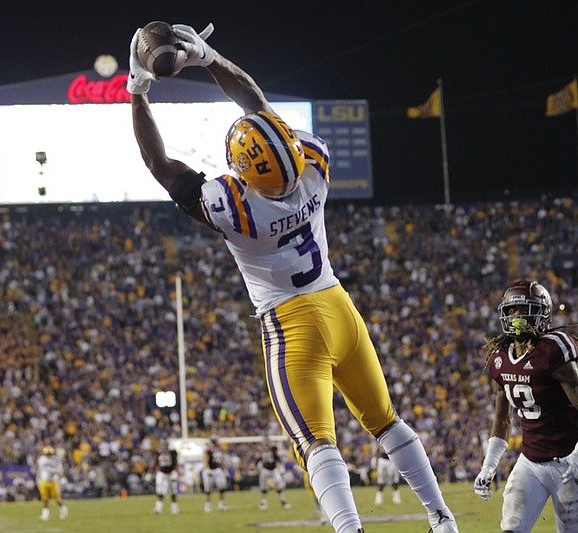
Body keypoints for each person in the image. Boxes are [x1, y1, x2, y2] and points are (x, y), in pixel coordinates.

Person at [127, 21, 459, 533]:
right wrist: (210, 57)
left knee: (316, 443)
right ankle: (442, 520)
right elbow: (256, 103)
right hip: (339, 308)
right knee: (388, 423)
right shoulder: (315, 163)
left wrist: (138, 90)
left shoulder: (234, 206)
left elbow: (158, 163)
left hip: (291, 325)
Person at [473, 279, 578, 533]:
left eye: (524, 310)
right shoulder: (500, 358)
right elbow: (502, 418)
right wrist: (489, 464)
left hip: (567, 462)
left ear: (541, 314)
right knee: (511, 529)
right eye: (512, 311)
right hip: (530, 462)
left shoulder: (551, 351)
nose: (516, 317)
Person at [256, 437, 291, 510]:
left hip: (274, 469)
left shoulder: (273, 448)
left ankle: (283, 501)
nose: (266, 443)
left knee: (279, 485)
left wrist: (281, 467)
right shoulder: (261, 449)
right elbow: (259, 459)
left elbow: (277, 457)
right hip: (265, 469)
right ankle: (264, 503)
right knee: (263, 487)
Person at [35, 445, 67, 521]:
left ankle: (62, 508)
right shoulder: (41, 459)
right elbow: (39, 470)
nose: (48, 454)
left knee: (57, 499)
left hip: (53, 481)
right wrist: (37, 479)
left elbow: (59, 471)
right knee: (44, 498)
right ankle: (45, 514)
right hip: (44, 480)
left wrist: (51, 470)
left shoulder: (56, 460)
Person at [201, 435, 229, 512]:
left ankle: (221, 504)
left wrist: (224, 469)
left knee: (222, 487)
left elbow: (221, 460)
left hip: (218, 470)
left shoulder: (219, 449)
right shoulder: (208, 449)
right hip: (209, 470)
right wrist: (207, 469)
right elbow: (205, 459)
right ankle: (207, 505)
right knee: (208, 489)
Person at [151, 441, 179, 515]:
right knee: (160, 491)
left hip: (170, 473)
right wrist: (150, 473)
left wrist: (175, 472)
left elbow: (175, 462)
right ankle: (158, 508)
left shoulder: (172, 452)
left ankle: (174, 508)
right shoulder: (158, 452)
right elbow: (155, 462)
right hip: (161, 473)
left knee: (173, 491)